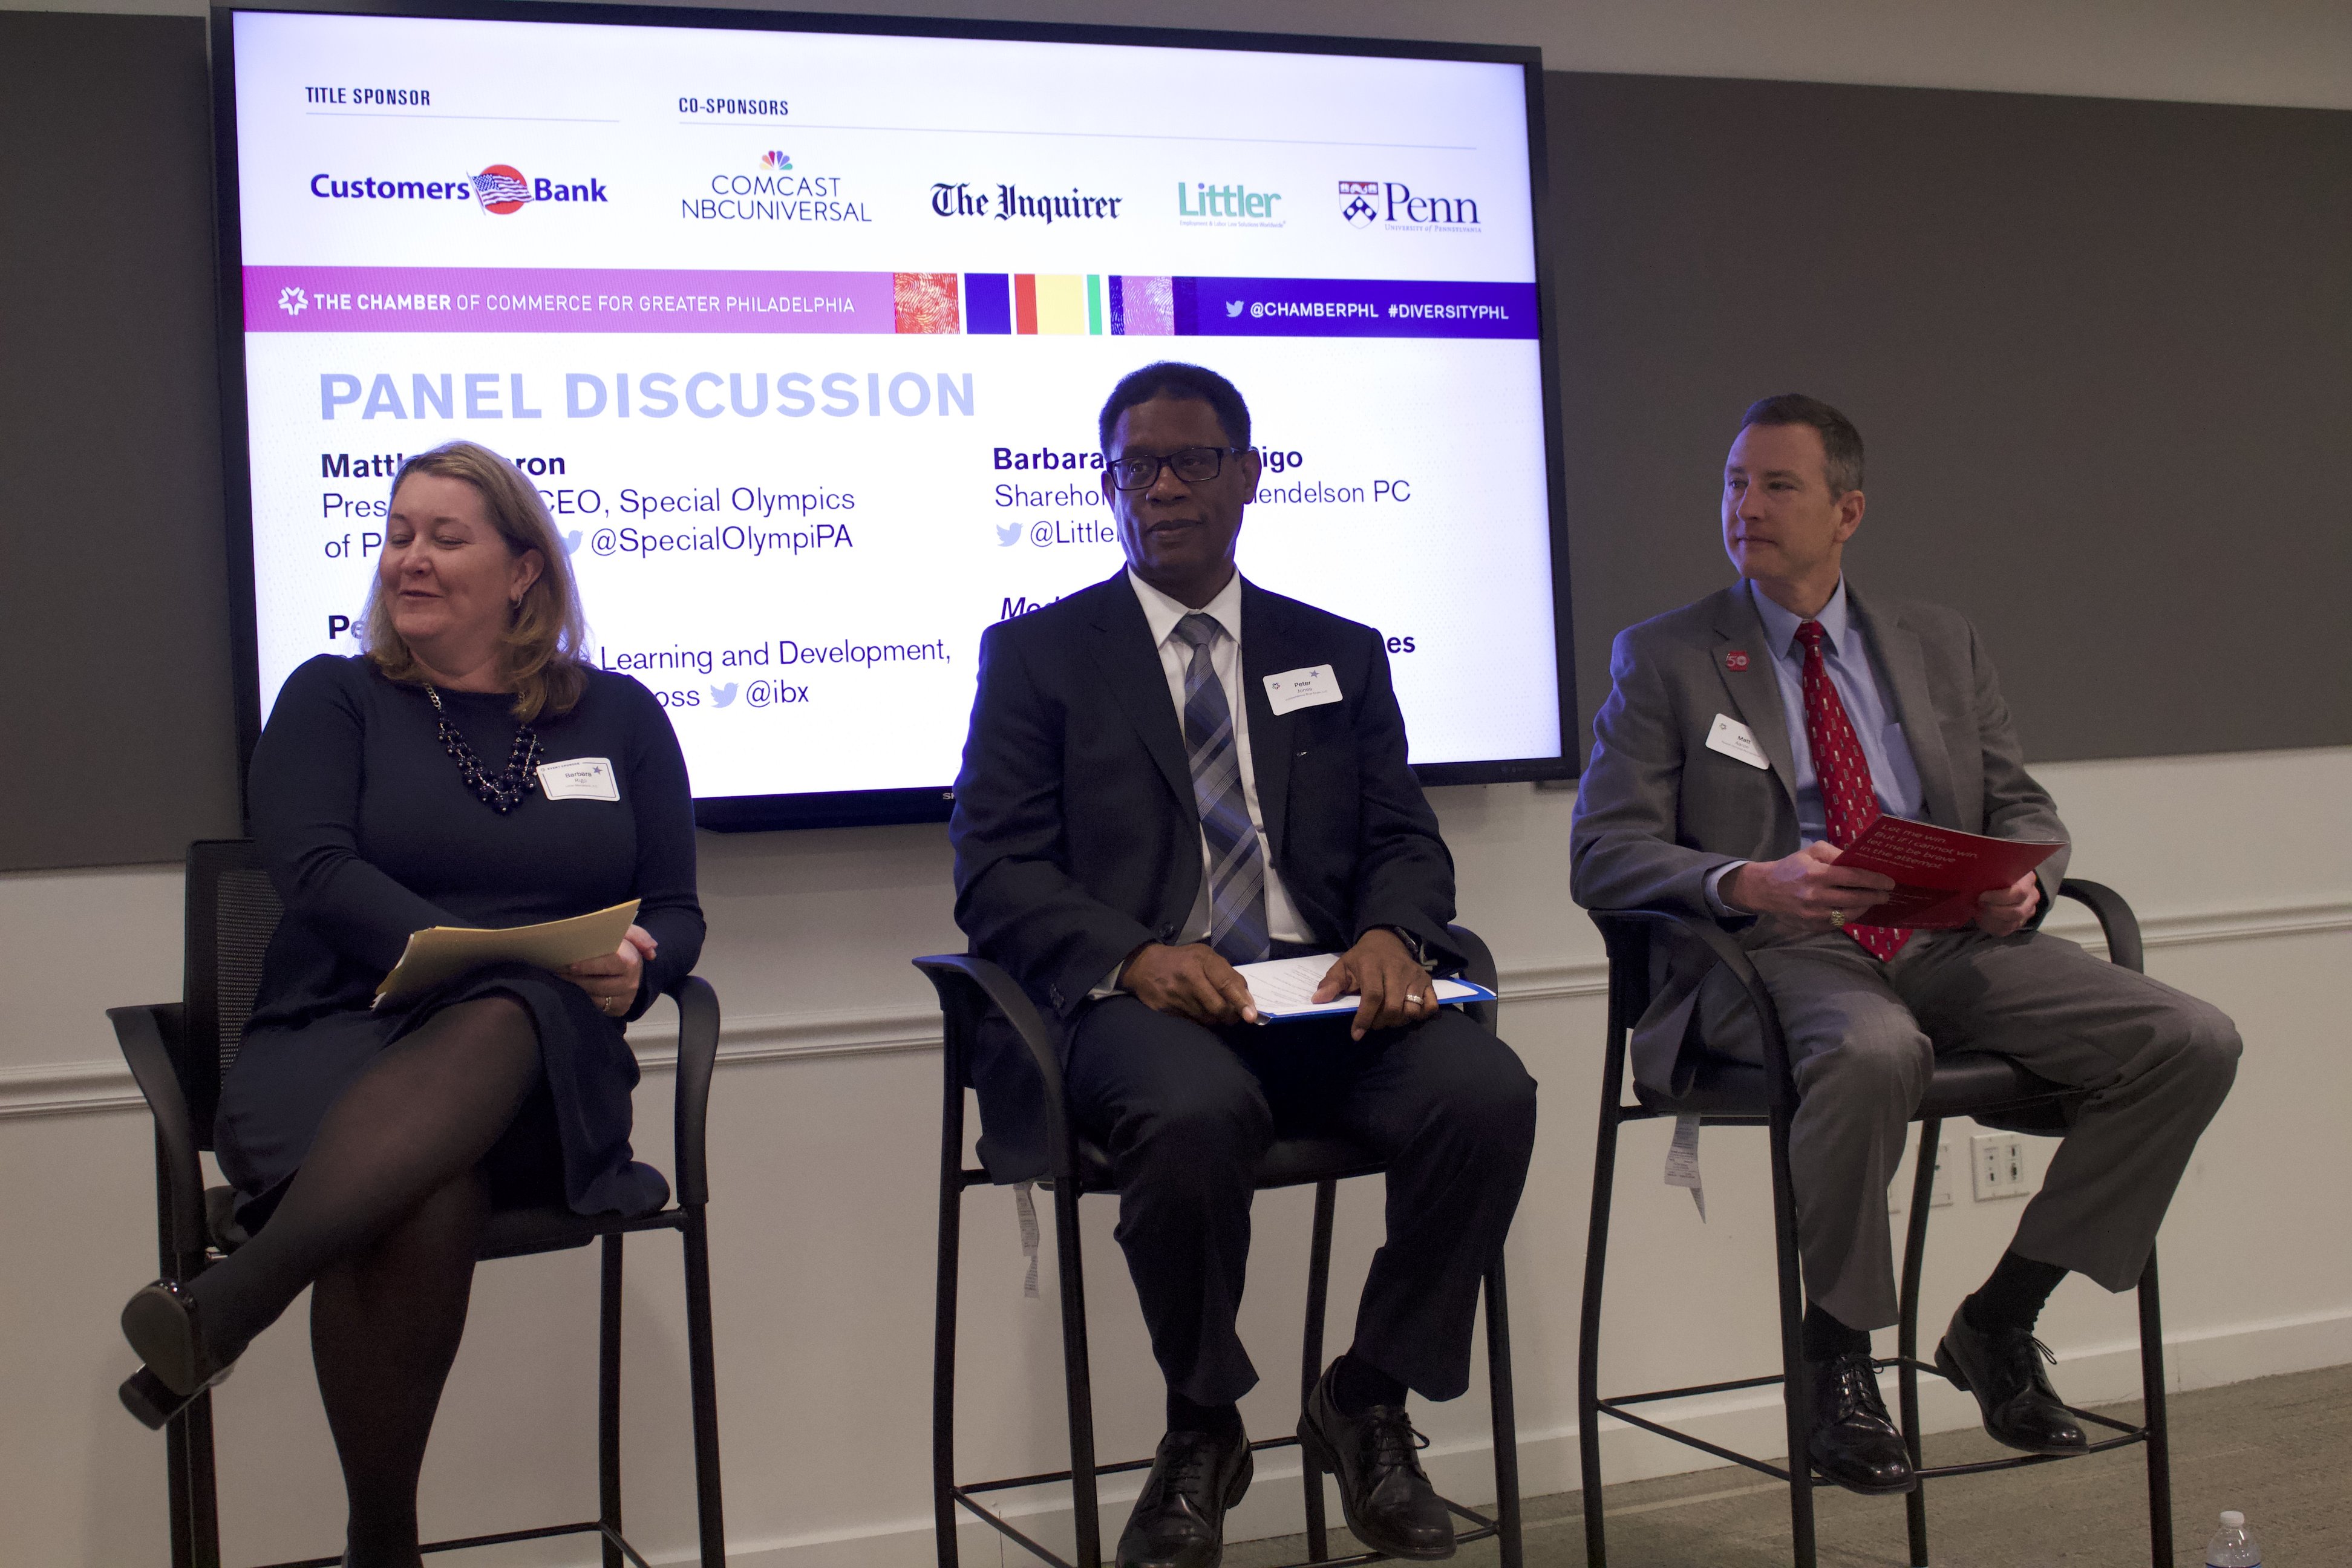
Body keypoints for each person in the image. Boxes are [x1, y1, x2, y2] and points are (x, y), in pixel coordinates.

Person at [1569, 394, 2240, 1496]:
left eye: (1777, 485)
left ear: (1849, 511)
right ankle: (1835, 1358)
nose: (1747, 506)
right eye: (1735, 483)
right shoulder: (1669, 656)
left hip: (1947, 943)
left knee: (2191, 1039)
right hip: (1780, 953)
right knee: (1877, 1052)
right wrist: (1748, 878)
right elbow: (1604, 854)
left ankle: (2000, 1319)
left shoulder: (1937, 640)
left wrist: (2026, 882)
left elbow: (2022, 808)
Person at [950, 362, 1537, 1568]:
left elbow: (1403, 838)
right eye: (1134, 468)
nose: (1159, 490)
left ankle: (1369, 1396)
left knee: (1488, 1094)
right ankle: (1201, 1425)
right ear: (1109, 486)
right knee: (1193, 1111)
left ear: (1247, 476)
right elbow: (996, 873)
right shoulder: (1041, 656)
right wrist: (1135, 955)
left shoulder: (1338, 651)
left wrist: (1390, 934)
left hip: (1320, 996)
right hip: (1145, 1010)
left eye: (1190, 463)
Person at [115, 441, 703, 1568]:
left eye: (445, 536)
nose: (409, 560)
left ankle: (232, 1301)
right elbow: (317, 871)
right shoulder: (335, 697)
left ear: (525, 570)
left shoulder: (621, 717)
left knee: (507, 1011)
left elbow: (677, 909)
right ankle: (384, 1541)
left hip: (536, 1072)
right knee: (429, 1189)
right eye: (397, 534)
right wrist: (481, 951)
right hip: (341, 1044)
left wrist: (646, 966)